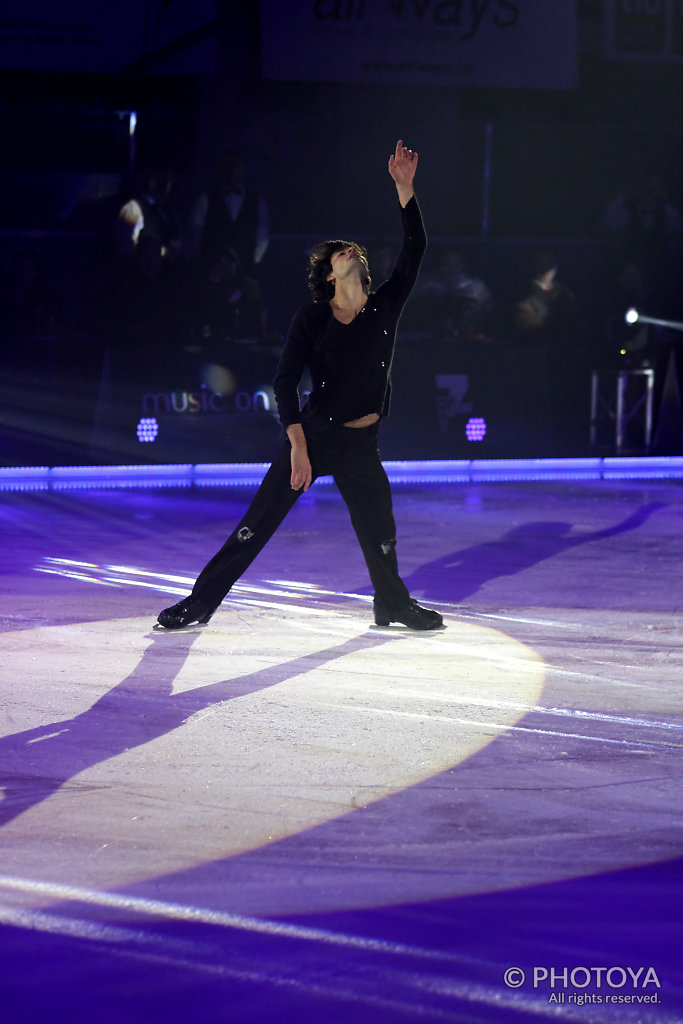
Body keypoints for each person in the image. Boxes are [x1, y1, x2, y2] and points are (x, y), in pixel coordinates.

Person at [158, 139, 443, 632]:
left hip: (362, 443)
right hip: (313, 436)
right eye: (338, 252)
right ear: (329, 276)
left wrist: (405, 189)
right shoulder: (313, 319)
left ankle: (392, 603)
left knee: (381, 530)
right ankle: (199, 602)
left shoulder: (384, 307)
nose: (347, 249)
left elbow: (415, 250)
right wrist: (298, 446)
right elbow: (284, 381)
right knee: (256, 526)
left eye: (350, 248)